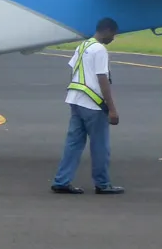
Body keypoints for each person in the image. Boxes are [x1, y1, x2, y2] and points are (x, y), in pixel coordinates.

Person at [51, 17, 125, 195]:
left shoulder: (83, 46)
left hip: (76, 99)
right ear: (107, 30)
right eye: (113, 34)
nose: (113, 38)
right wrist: (112, 108)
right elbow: (102, 79)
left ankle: (61, 180)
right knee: (100, 146)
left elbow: (73, 71)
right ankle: (103, 184)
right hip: (93, 104)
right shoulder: (100, 49)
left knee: (73, 143)